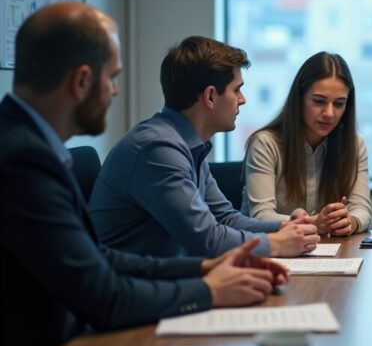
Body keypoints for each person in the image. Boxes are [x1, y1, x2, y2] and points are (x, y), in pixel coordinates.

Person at [0, 3, 289, 346]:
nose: (116, 91)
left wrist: (205, 268)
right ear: (82, 81)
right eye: (113, 77)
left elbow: (99, 257)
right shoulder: (23, 160)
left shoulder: (28, 144)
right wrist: (210, 290)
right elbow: (104, 296)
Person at [89, 36, 319, 258]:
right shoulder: (157, 148)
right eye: (236, 89)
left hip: (164, 280)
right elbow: (208, 240)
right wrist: (276, 244)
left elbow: (225, 218)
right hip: (133, 289)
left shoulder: (186, 144)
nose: (242, 99)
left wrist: (286, 226)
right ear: (210, 96)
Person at [243, 52, 371, 235]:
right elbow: (261, 215)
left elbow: (362, 209)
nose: (329, 113)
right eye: (319, 101)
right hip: (268, 251)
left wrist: (349, 222)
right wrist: (312, 223)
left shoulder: (355, 145)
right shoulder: (265, 143)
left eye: (339, 104)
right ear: (299, 99)